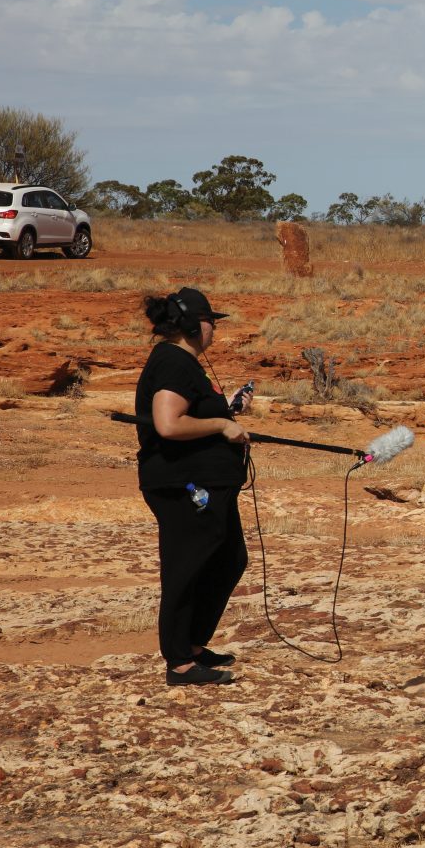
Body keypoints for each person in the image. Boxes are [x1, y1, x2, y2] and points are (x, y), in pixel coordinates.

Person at [134, 287, 251, 688]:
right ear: (190, 324)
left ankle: (194, 643)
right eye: (210, 322)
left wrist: (227, 409)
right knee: (187, 566)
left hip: (210, 483)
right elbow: (168, 424)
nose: (214, 330)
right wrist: (221, 425)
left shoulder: (185, 364)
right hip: (183, 484)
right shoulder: (172, 362)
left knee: (229, 559)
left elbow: (191, 411)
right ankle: (180, 662)